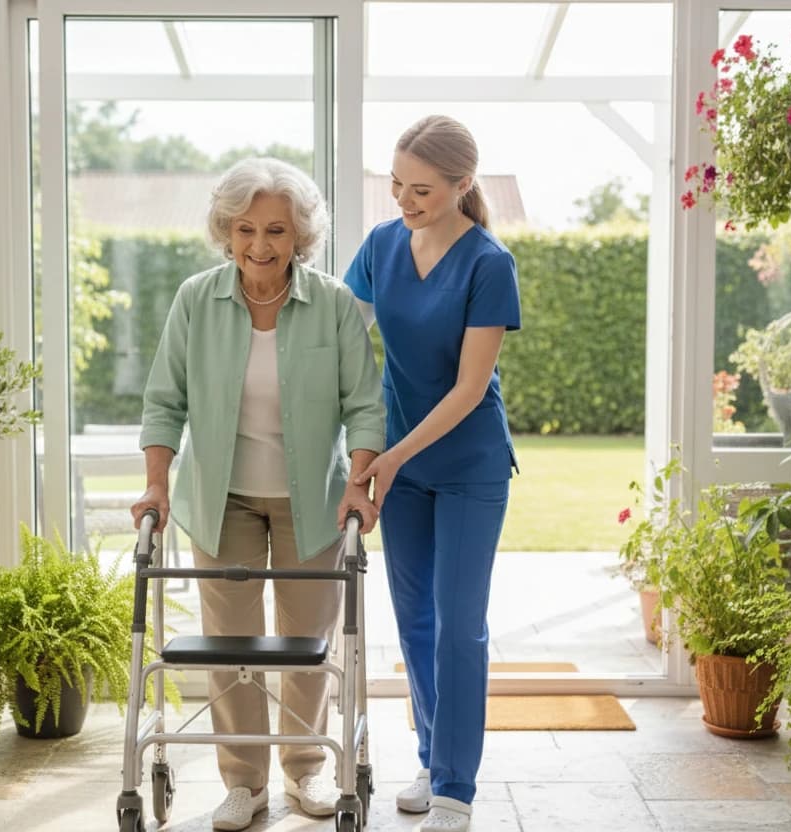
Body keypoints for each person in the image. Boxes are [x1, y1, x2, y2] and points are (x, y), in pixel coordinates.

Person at [131, 157, 385, 832]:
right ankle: (243, 783)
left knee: (307, 641)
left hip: (316, 503)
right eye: (246, 229)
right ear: (226, 230)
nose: (260, 245)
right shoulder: (196, 300)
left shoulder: (332, 304)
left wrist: (359, 483)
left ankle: (306, 769)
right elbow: (164, 402)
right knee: (231, 647)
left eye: (276, 229)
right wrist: (156, 483)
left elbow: (364, 406)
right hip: (222, 500)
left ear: (300, 235)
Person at [343, 115, 521, 832]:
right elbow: (340, 339)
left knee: (459, 628)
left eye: (420, 189)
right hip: (400, 465)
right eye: (395, 184)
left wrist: (389, 457)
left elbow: (469, 389)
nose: (403, 200)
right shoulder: (382, 246)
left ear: (461, 186)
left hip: (469, 464)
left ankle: (455, 789)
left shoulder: (488, 262)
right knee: (413, 625)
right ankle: (428, 757)